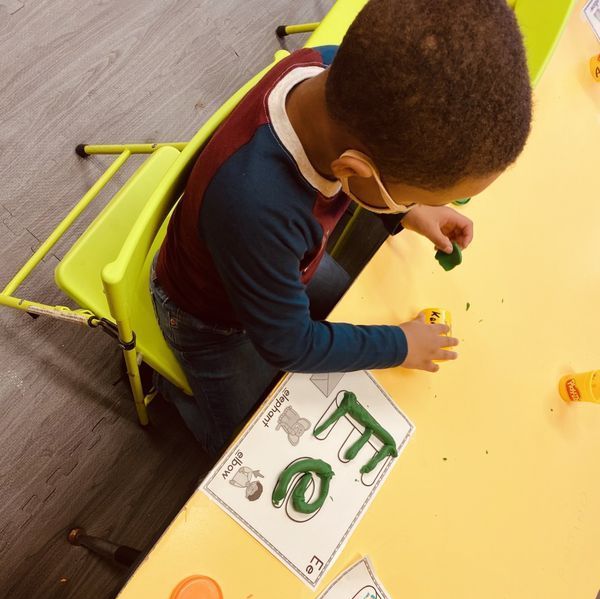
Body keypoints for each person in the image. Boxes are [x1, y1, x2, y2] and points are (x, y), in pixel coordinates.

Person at [150, 0, 532, 456]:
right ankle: (174, 394)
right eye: (414, 195)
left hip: (279, 257)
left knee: (349, 299)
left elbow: (353, 189)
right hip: (209, 319)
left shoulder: (336, 74)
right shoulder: (257, 209)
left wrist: (406, 212)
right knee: (246, 443)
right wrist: (400, 345)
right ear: (352, 170)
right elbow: (290, 346)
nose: (424, 206)